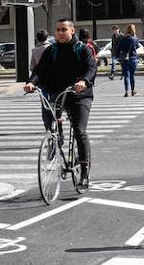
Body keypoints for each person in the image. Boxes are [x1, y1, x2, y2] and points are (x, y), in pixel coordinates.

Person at [25, 18, 96, 187]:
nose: (60, 33)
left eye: (64, 29)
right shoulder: (52, 50)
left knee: (79, 130)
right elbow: (40, 69)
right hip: (59, 93)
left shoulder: (82, 49)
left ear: (72, 31)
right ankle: (59, 135)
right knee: (52, 123)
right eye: (57, 30)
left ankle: (84, 172)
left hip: (80, 95)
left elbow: (91, 68)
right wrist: (31, 82)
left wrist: (84, 81)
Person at [116, 24, 141, 97]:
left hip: (125, 59)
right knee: (132, 76)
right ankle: (133, 91)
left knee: (126, 75)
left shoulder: (122, 39)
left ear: (126, 30)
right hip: (133, 58)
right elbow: (136, 47)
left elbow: (118, 49)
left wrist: (118, 57)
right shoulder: (135, 39)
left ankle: (127, 91)